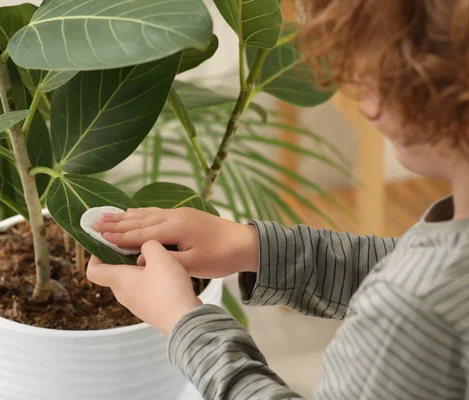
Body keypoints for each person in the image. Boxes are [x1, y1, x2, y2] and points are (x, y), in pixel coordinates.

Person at [87, 1, 469, 398]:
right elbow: (414, 266)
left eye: (379, 65)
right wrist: (258, 249)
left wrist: (183, 322)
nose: (356, 89)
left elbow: (419, 292)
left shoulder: (414, 314)